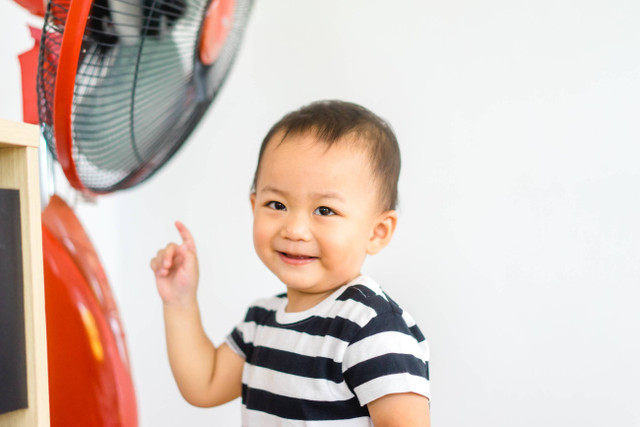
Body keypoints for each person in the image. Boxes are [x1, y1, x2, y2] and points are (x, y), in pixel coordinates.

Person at [150, 100, 431, 426]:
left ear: (377, 232)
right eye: (277, 204)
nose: (294, 229)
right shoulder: (261, 322)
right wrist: (180, 302)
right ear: (254, 206)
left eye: (324, 210)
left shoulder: (371, 328)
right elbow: (205, 384)